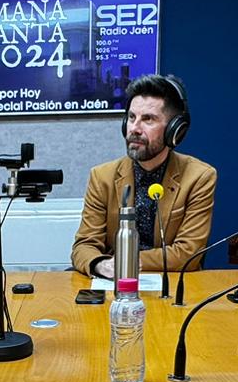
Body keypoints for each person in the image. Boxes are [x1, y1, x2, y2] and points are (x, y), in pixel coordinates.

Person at [70, 74, 216, 278]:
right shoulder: (102, 176)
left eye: (148, 119)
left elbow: (187, 254)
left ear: (175, 129)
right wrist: (100, 264)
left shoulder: (199, 177)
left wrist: (128, 261)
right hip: (115, 281)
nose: (134, 128)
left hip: (171, 283)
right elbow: (84, 245)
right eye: (131, 117)